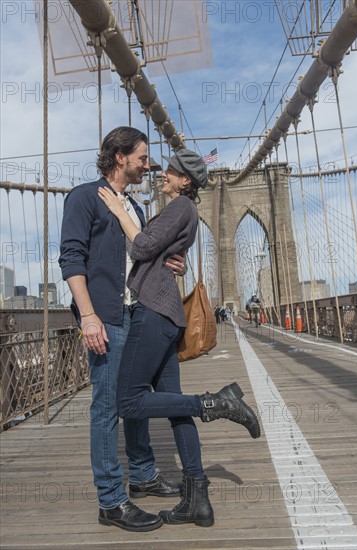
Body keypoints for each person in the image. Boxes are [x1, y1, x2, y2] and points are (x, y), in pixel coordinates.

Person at [98, 148, 261, 528]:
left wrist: (120, 211)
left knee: (128, 402)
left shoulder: (180, 207)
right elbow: (158, 250)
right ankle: (196, 500)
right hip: (166, 310)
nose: (163, 174)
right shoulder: (183, 210)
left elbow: (141, 246)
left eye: (170, 171)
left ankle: (214, 402)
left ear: (185, 180)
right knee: (174, 407)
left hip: (153, 311)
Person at [59, 126, 187, 533]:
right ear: (120, 157)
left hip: (139, 313)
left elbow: (141, 255)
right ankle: (112, 501)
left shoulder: (135, 207)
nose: (148, 165)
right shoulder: (84, 198)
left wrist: (172, 263)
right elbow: (71, 260)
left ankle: (144, 476)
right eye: (143, 157)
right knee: (108, 405)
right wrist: (89, 316)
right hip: (107, 316)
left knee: (134, 399)